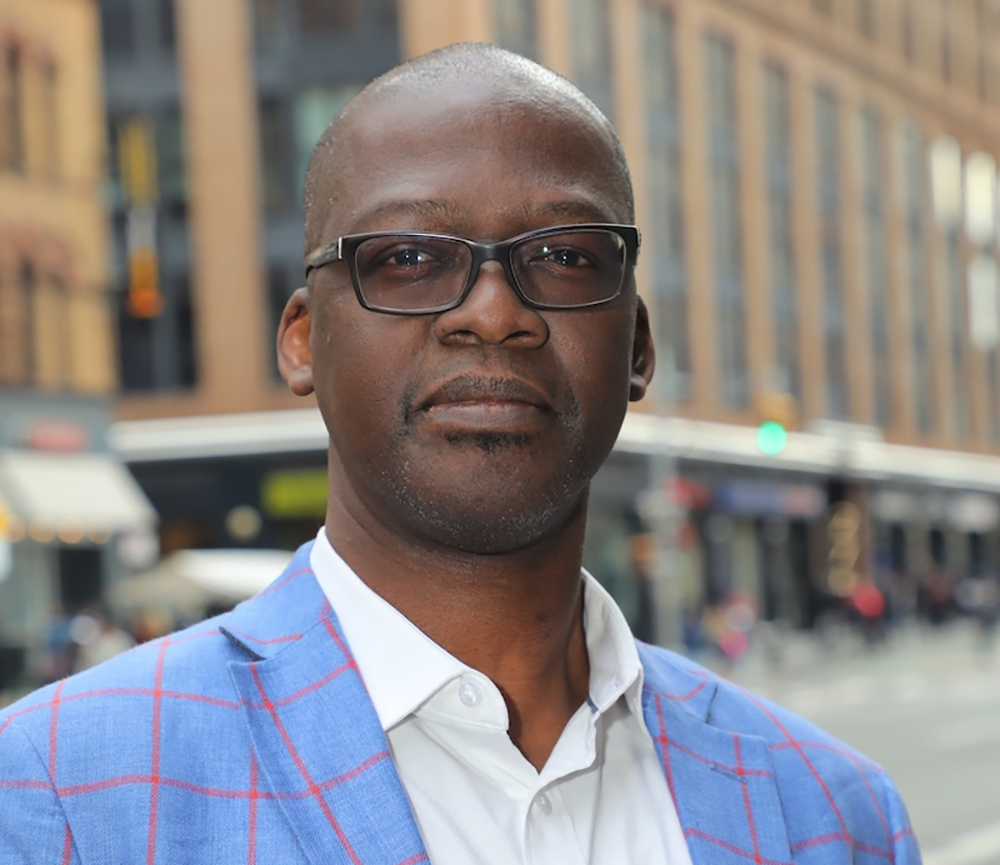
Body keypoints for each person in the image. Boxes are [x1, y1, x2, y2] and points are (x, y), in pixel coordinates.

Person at [0, 45, 918, 864]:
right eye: (406, 257)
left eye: (563, 254)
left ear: (637, 346)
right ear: (302, 340)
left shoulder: (835, 817)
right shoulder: (57, 793)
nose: (493, 310)